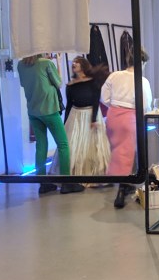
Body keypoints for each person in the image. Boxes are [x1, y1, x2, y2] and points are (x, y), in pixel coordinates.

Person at [16, 54, 84, 195]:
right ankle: (66, 183)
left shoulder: (21, 65)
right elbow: (58, 83)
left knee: (41, 145)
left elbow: (23, 84)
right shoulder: (46, 63)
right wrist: (58, 62)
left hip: (33, 111)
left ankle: (43, 183)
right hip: (49, 109)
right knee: (63, 144)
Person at [101, 45, 152, 208]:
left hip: (113, 117)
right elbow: (145, 104)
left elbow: (104, 97)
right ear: (142, 63)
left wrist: (116, 106)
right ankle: (122, 191)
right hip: (130, 118)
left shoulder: (114, 75)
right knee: (127, 154)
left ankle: (127, 183)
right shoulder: (142, 80)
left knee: (119, 152)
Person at [49, 56, 110, 179]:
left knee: (91, 146)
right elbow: (69, 105)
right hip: (75, 116)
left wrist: (93, 119)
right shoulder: (70, 85)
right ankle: (74, 173)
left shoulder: (93, 82)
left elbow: (95, 101)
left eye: (77, 62)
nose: (74, 64)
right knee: (73, 146)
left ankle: (93, 173)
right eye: (73, 62)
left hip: (90, 115)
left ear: (83, 65)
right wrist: (65, 123)